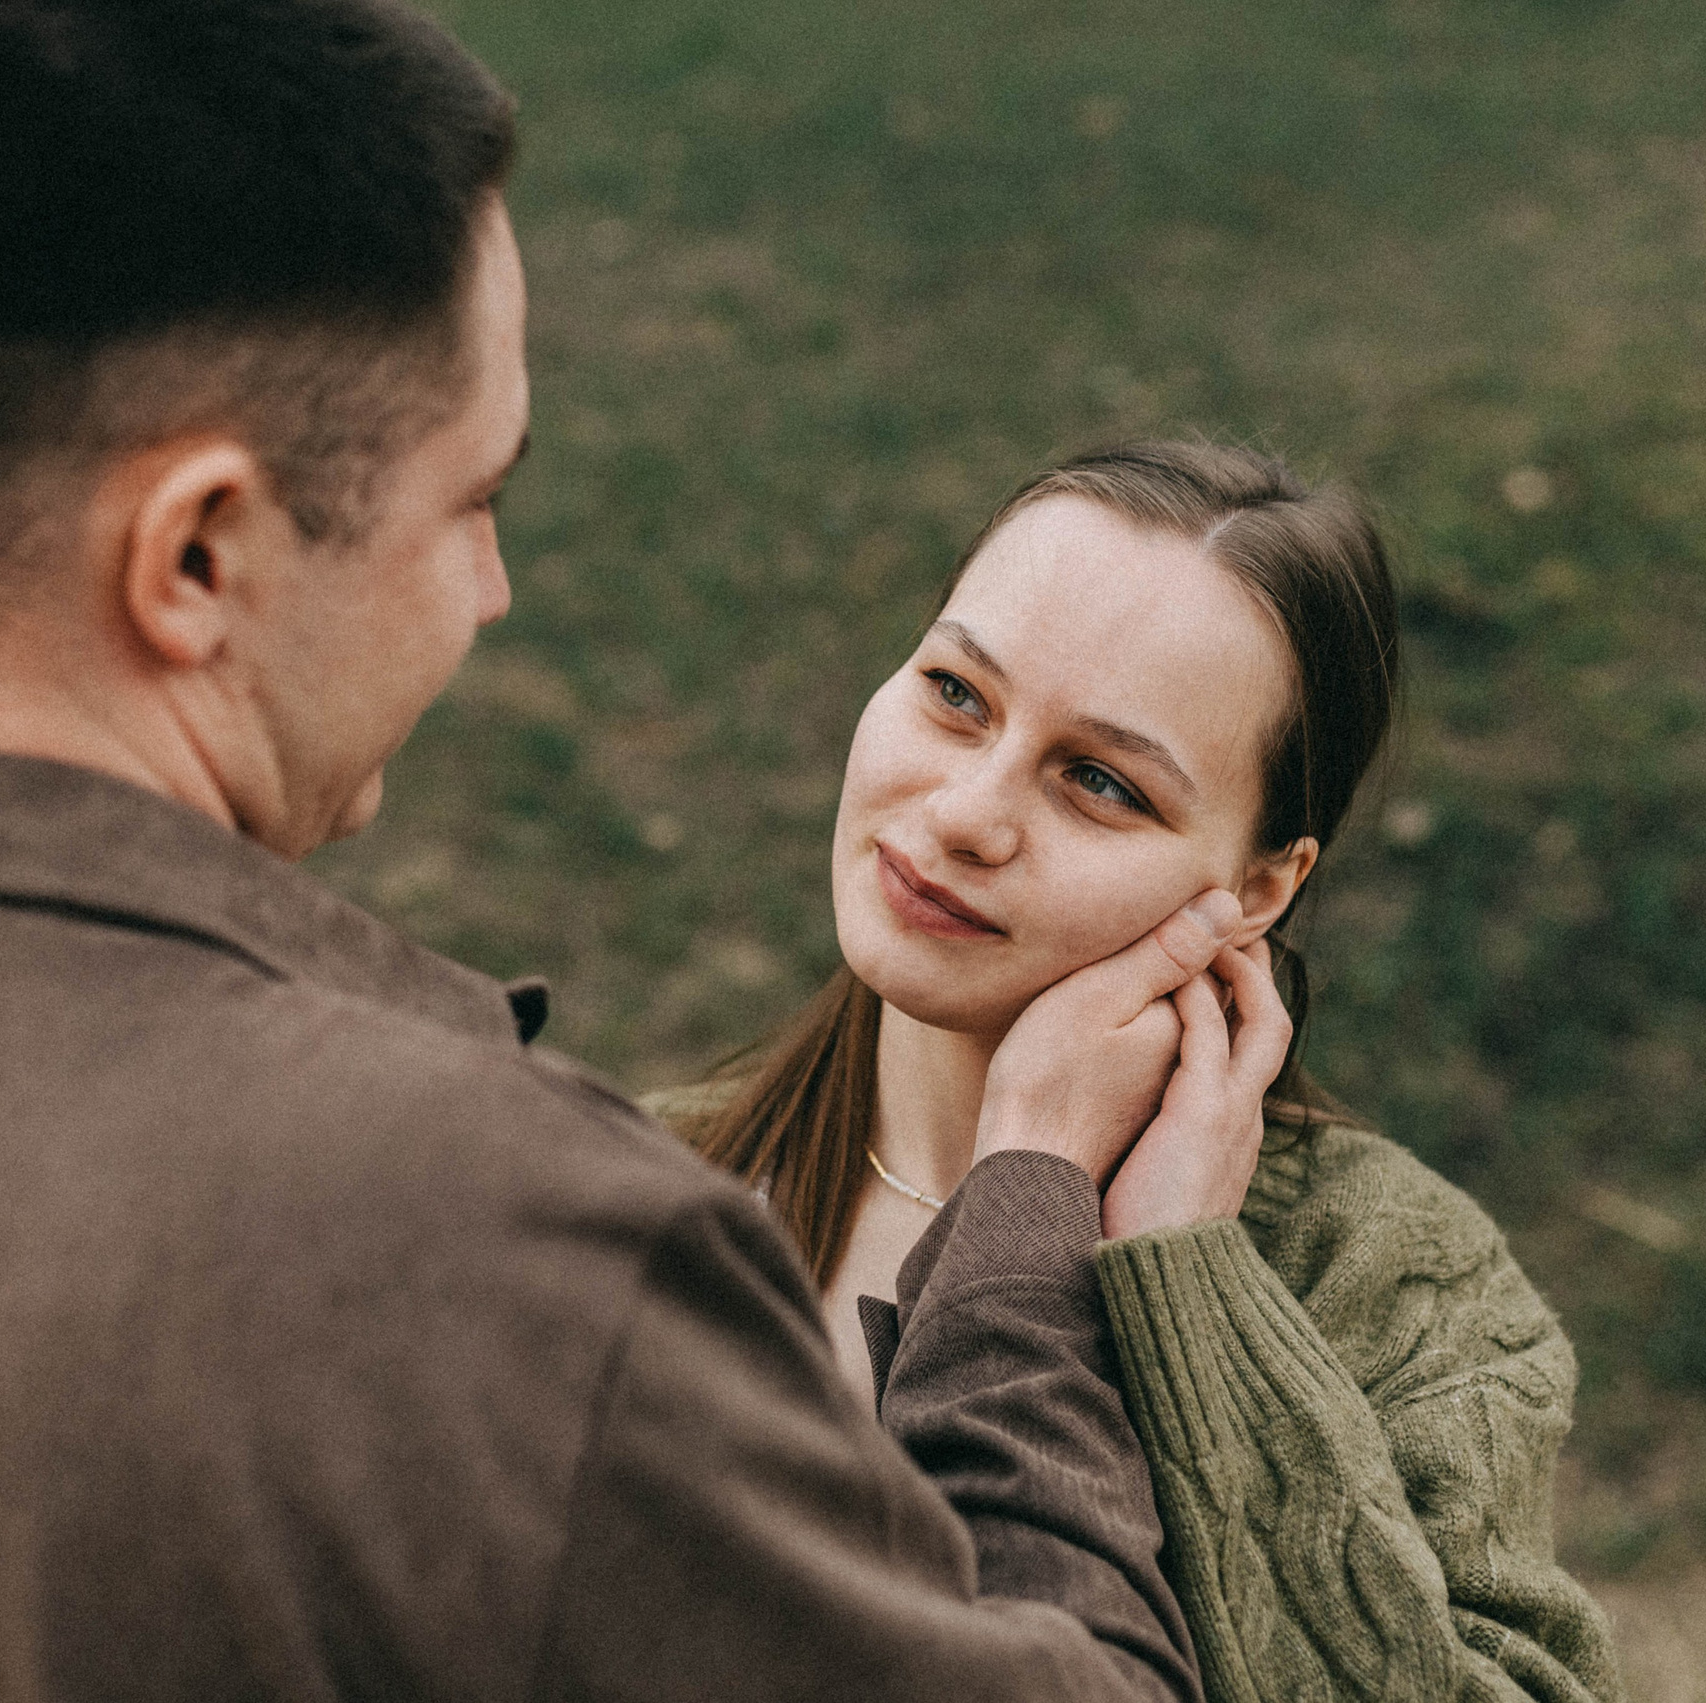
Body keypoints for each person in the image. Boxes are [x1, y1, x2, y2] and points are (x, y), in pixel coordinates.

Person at [0, 4, 1234, 1697]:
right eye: (472, 501)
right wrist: (1024, 1245)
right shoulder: (496, 1256)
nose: (491, 589)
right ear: (197, 558)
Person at [657, 441, 1628, 1703]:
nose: (964, 813)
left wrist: (1185, 1289)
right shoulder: (635, 1181)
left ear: (1259, 888)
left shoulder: (1391, 1276)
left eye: (1101, 781)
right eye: (955, 692)